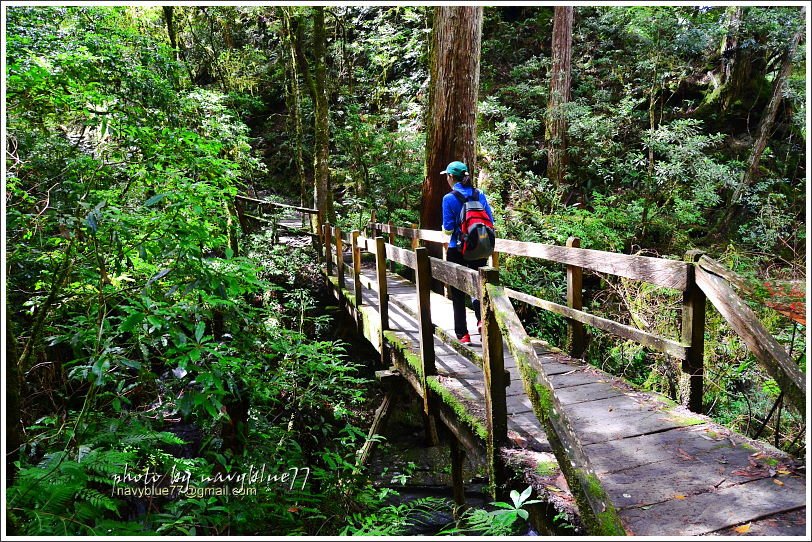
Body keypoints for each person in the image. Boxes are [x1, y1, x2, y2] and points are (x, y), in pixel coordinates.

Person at [441, 160, 495, 344]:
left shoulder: (448, 199)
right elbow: (490, 221)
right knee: (479, 288)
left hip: (457, 249)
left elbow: (448, 229)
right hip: (478, 248)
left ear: (450, 177)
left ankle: (463, 335)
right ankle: (482, 321)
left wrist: (448, 228)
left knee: (457, 293)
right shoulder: (479, 194)